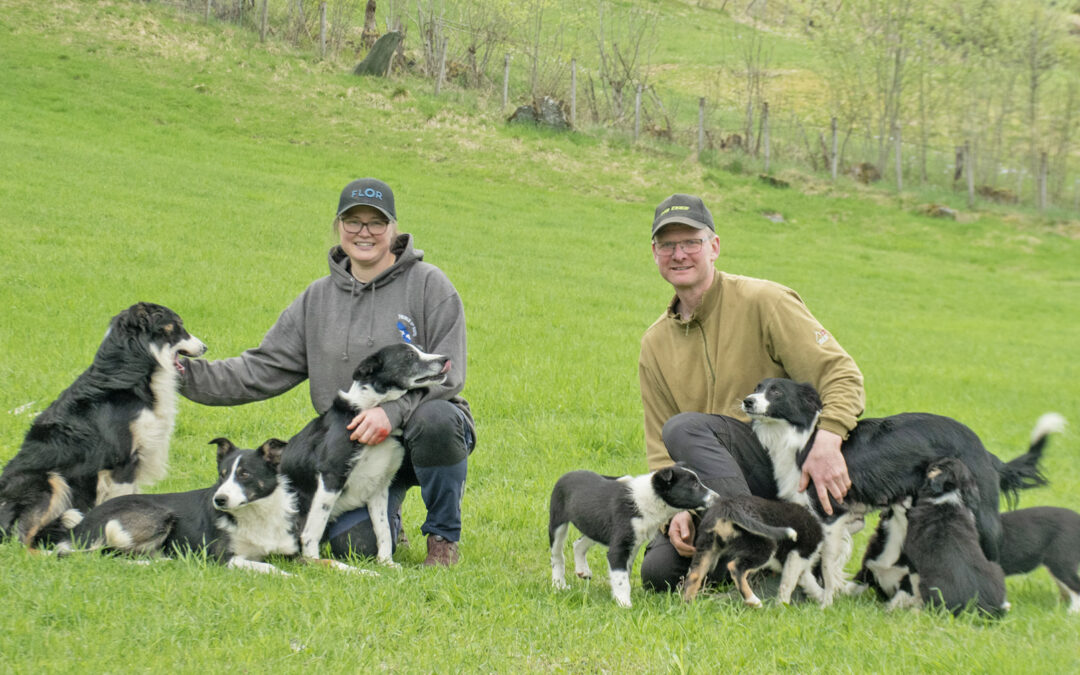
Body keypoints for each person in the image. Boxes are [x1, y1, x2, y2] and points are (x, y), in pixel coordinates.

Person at [180, 178, 475, 567]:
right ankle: (390, 520)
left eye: (376, 222)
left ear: (393, 228)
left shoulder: (429, 285)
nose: (364, 232)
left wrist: (392, 413)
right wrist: (178, 374)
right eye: (353, 221)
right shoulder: (317, 299)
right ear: (338, 226)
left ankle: (442, 539)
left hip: (423, 435)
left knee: (437, 419)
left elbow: (451, 373)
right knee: (354, 547)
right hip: (354, 449)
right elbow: (260, 368)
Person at [637, 193, 864, 591]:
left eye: (691, 242)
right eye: (668, 245)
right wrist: (675, 507)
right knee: (659, 574)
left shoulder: (765, 301)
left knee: (684, 428)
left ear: (714, 247)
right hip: (714, 482)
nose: (679, 254)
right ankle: (768, 564)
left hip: (779, 469)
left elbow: (841, 374)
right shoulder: (655, 343)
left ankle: (768, 546)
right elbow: (659, 447)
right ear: (654, 253)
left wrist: (829, 440)